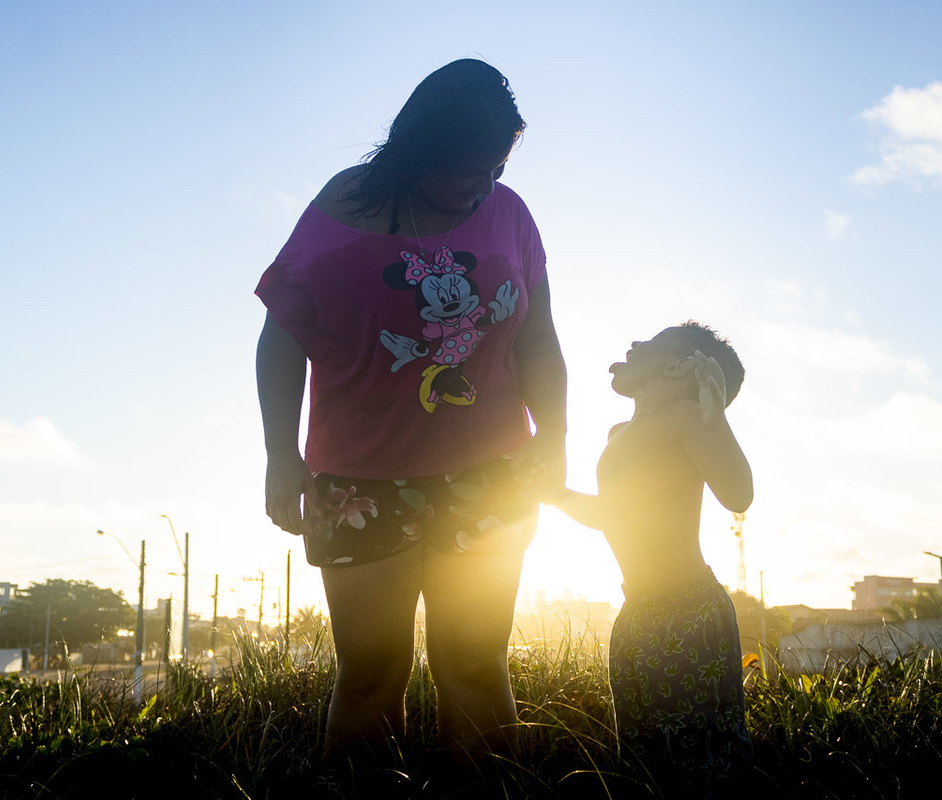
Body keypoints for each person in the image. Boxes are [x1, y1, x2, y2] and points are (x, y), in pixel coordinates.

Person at [254, 59, 567, 771]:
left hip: (492, 473)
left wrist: (555, 438)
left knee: (477, 666)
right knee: (369, 671)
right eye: (468, 169)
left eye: (496, 166)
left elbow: (540, 338)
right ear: (420, 150)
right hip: (358, 482)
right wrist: (281, 456)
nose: (483, 185)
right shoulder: (344, 207)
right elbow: (282, 335)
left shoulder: (510, 213)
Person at [547, 322, 753, 791]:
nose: (636, 344)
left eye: (653, 344)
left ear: (680, 368)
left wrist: (714, 418)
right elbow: (613, 516)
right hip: (638, 615)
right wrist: (555, 494)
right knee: (643, 763)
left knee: (702, 764)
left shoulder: (684, 417)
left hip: (688, 612)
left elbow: (738, 493)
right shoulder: (621, 433)